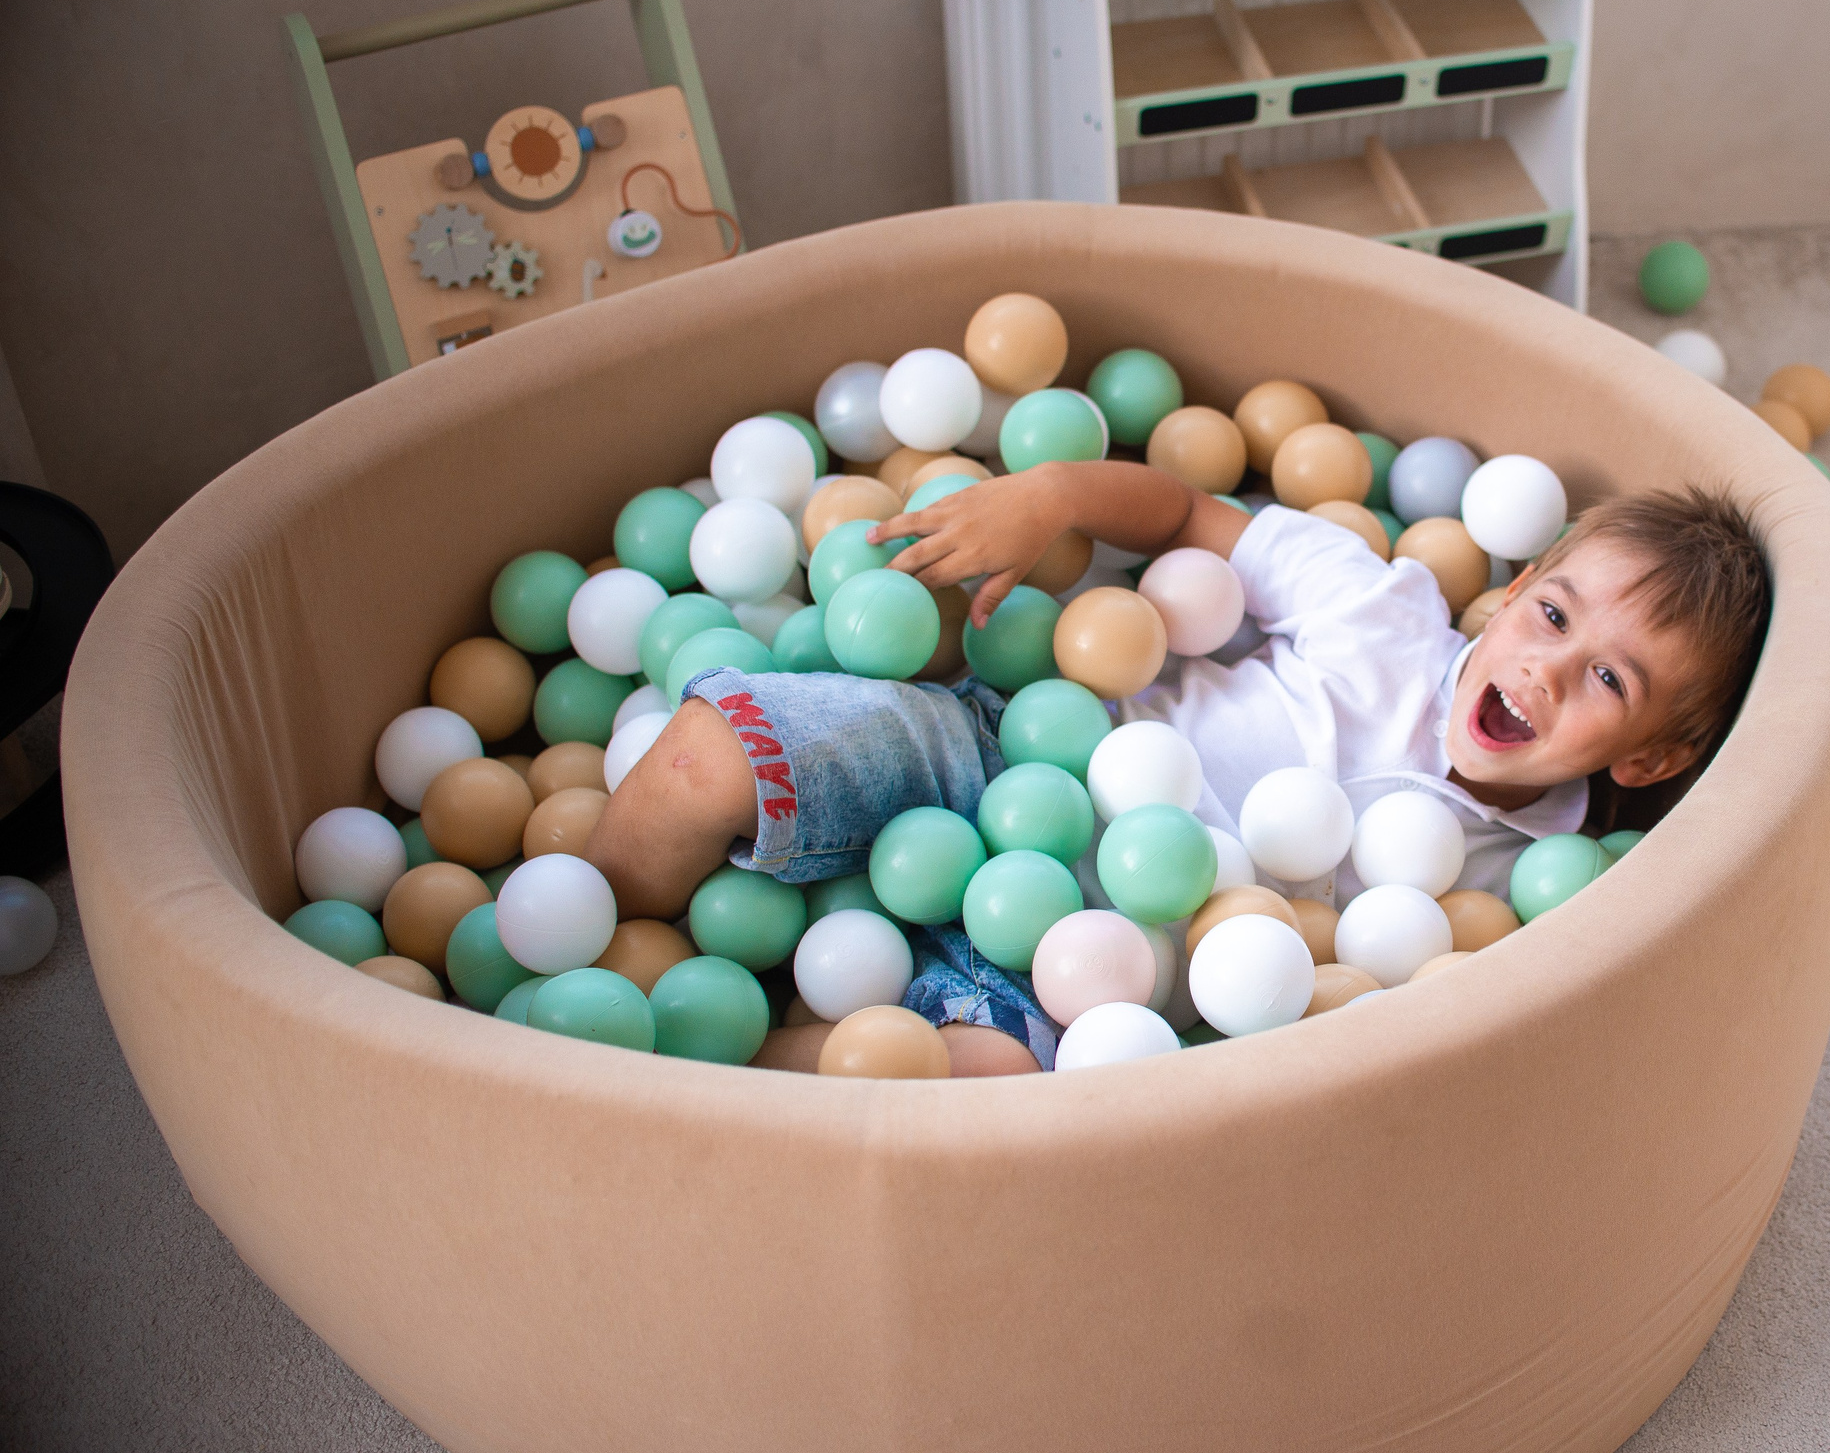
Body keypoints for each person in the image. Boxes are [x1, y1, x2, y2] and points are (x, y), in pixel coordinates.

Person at [586, 460, 1770, 1074]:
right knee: (705, 752)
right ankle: (596, 947)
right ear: (1510, 591)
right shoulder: (1380, 611)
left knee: (950, 1077)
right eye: (1553, 616)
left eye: (1612, 681)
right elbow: (1185, 513)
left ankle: (663, 1066)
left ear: (1655, 753)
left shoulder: (1549, 875)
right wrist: (1046, 497)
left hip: (1107, 976)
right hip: (1016, 754)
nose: (1551, 673)